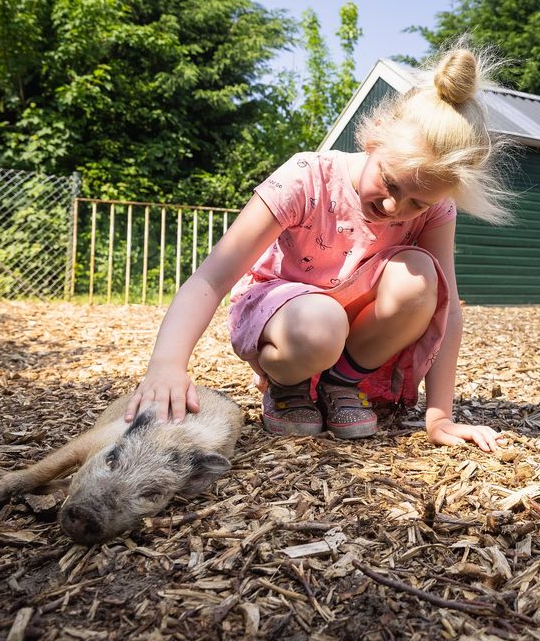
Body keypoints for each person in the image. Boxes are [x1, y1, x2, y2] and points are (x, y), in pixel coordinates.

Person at [123, 44, 512, 452]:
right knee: (321, 323)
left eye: (418, 202)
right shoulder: (308, 177)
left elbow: (444, 310)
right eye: (391, 183)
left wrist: (440, 417)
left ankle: (338, 383)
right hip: (290, 317)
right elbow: (212, 276)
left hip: (353, 328)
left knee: (421, 276)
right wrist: (166, 365)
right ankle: (287, 381)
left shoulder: (436, 209)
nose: (395, 207)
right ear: (373, 136)